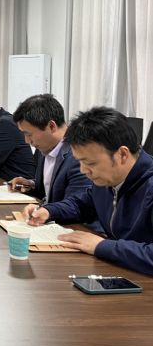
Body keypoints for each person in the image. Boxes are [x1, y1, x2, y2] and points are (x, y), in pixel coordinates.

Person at [24, 107, 153, 276]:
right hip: (120, 273)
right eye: (80, 162)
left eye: (90, 163)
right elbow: (82, 204)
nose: (83, 170)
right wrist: (49, 211)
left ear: (122, 154)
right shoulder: (107, 180)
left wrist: (101, 245)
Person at [8, 94, 91, 204]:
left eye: (29, 134)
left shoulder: (79, 155)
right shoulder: (44, 147)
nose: (27, 141)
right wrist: (31, 184)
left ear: (51, 126)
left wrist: (46, 210)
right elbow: (50, 190)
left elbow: (76, 204)